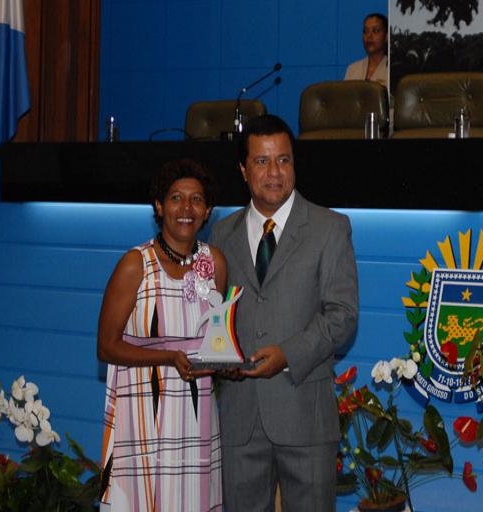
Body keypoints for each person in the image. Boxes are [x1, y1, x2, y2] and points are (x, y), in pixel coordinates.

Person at [210, 115, 359, 512]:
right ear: (243, 170)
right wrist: (216, 355)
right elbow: (215, 313)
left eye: (284, 160)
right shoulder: (221, 234)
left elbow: (342, 314)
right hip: (240, 419)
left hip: (305, 415)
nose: (274, 172)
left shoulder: (330, 228)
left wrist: (288, 354)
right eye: (261, 162)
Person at [98, 159, 227, 512]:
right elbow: (106, 347)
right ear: (159, 206)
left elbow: (218, 338)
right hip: (144, 412)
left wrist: (228, 363)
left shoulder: (214, 262)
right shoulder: (134, 264)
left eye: (197, 199)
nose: (186, 208)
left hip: (196, 413)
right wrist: (168, 357)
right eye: (175, 198)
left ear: (208, 210)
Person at [343, 12, 389, 89]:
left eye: (375, 31)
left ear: (386, 36)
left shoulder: (391, 70)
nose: (369, 36)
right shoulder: (352, 69)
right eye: (365, 31)